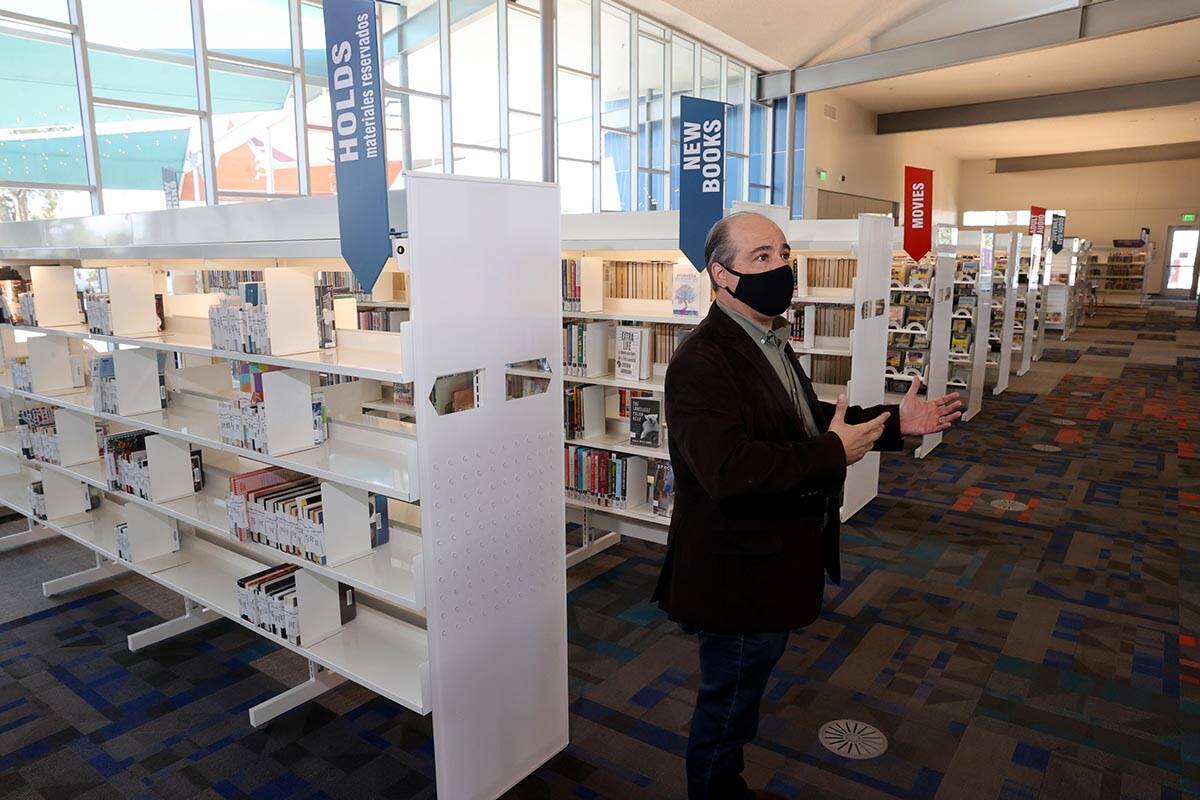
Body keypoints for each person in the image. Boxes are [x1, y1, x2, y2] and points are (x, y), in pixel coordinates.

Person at [652, 212, 962, 800]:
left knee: (742, 695)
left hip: (772, 562)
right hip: (737, 575)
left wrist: (894, 423)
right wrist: (831, 454)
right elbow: (729, 471)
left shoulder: (768, 338)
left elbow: (805, 422)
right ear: (722, 275)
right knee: (728, 707)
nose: (782, 267)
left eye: (785, 253)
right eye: (762, 257)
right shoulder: (701, 362)